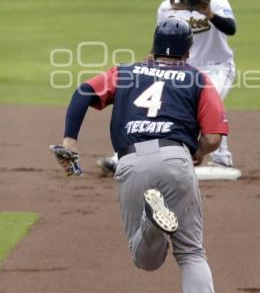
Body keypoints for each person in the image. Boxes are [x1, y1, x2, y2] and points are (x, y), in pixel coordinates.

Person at [50, 17, 228, 293]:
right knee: (191, 252)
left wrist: (70, 143)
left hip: (131, 162)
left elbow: (83, 91)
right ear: (188, 51)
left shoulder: (125, 72)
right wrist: (199, 151)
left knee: (145, 260)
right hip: (175, 159)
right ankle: (154, 219)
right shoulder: (198, 78)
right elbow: (214, 138)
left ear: (154, 46)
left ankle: (151, 221)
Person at [98, 0, 236, 176]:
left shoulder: (216, 0)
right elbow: (162, 40)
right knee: (157, 106)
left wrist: (208, 12)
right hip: (180, 68)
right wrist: (151, 57)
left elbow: (231, 28)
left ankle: (221, 159)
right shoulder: (167, 6)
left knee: (210, 102)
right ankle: (122, 156)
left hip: (217, 66)